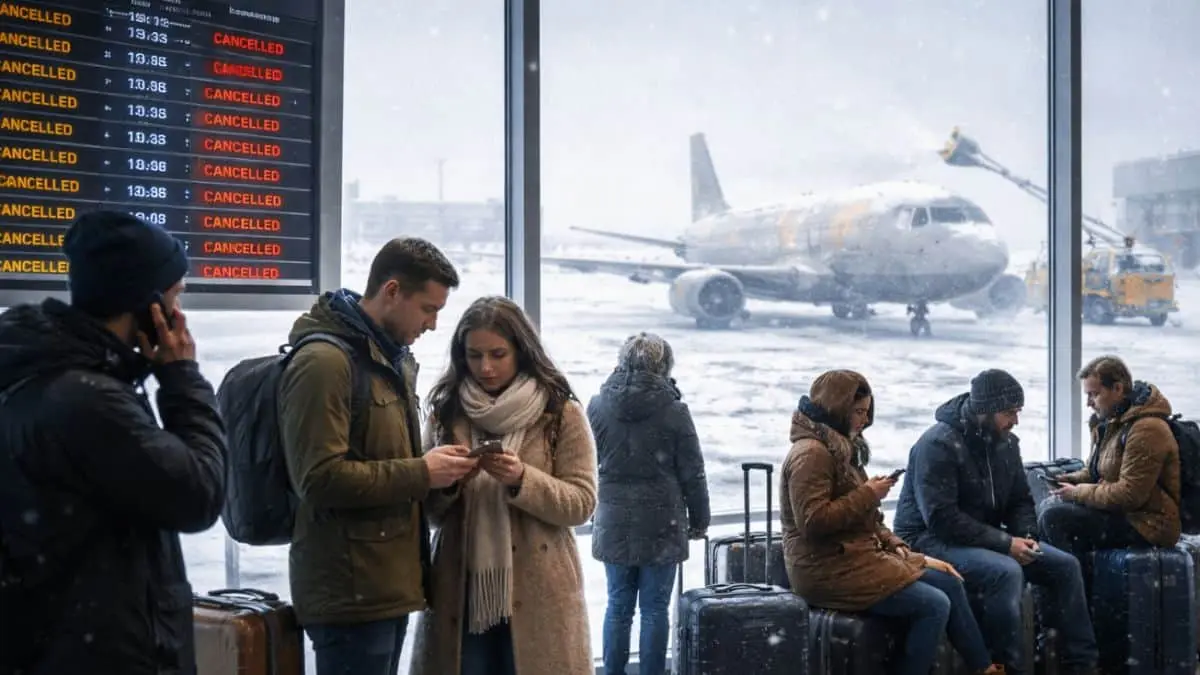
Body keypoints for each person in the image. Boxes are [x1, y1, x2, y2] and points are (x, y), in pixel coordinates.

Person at [0, 210, 226, 675]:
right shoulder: (87, 401)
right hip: (103, 653)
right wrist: (182, 377)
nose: (181, 316)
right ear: (148, 306)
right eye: (175, 296)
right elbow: (199, 493)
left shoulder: (43, 378)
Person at [278, 237, 477, 675]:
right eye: (428, 309)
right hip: (349, 596)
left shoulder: (387, 361)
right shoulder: (325, 364)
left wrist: (434, 471)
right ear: (392, 291)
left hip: (383, 586)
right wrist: (423, 472)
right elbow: (318, 479)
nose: (433, 324)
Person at [410, 295, 597, 675]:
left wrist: (522, 479)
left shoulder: (560, 413)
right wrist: (445, 482)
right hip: (458, 593)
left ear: (522, 352)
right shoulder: (447, 410)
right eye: (474, 355)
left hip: (541, 591)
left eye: (498, 354)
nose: (485, 367)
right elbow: (427, 513)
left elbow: (581, 503)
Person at [781, 370, 1003, 675]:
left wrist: (901, 549)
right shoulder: (812, 454)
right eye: (858, 412)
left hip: (854, 560)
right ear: (837, 408)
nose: (863, 420)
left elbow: (867, 521)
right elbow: (814, 522)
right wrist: (868, 494)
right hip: (825, 569)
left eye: (866, 412)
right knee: (934, 604)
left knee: (950, 582)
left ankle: (985, 668)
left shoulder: (840, 449)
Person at [892, 369, 1098, 675]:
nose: (1015, 420)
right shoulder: (937, 444)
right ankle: (1005, 667)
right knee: (1005, 572)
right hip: (928, 540)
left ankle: (1081, 665)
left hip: (980, 536)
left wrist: (1025, 536)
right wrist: (1005, 544)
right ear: (984, 411)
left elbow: (1020, 501)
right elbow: (941, 519)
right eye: (1008, 413)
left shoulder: (1006, 443)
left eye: (1017, 412)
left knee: (1065, 566)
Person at [587, 332, 711, 675]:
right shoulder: (674, 410)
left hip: (612, 518)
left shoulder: (597, 406)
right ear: (664, 365)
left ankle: (612, 672)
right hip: (662, 521)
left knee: (617, 606)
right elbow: (693, 471)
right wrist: (700, 520)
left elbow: (583, 463)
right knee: (655, 609)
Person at [1039, 355, 1181, 558]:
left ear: (1118, 389)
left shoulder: (1147, 429)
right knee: (1048, 506)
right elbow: (1096, 470)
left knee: (1055, 518)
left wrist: (1078, 492)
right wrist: (1068, 480)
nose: (1088, 403)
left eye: (1094, 395)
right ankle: (1068, 581)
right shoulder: (1111, 422)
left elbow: (1130, 495)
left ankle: (1072, 585)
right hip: (1122, 514)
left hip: (1148, 524)